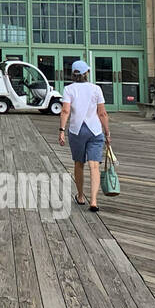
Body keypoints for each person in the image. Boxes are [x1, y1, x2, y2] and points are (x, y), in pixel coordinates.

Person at [58, 60, 111, 211]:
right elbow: (102, 113)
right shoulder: (96, 89)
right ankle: (94, 201)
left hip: (77, 130)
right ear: (86, 73)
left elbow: (65, 111)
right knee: (94, 165)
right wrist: (107, 132)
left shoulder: (69, 89)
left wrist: (61, 130)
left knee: (79, 163)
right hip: (95, 130)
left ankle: (81, 196)